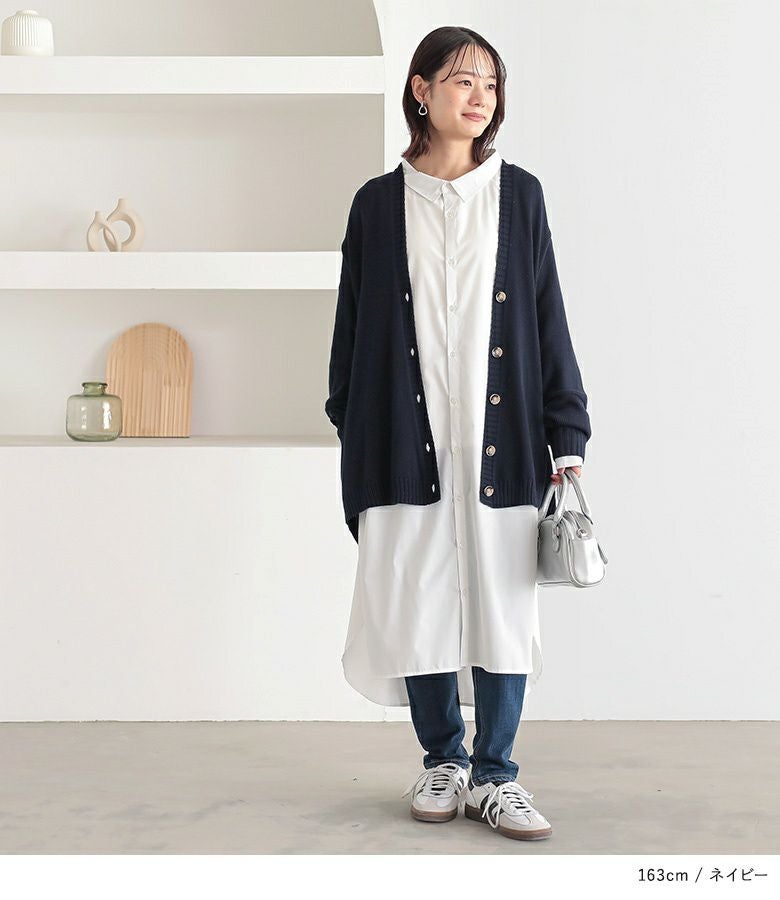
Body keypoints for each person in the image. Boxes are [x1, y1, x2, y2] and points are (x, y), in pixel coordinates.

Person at [325, 27, 591, 842]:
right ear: (421, 89)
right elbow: (351, 330)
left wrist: (566, 433)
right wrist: (354, 422)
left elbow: (546, 317)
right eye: (462, 79)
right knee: (419, 602)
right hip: (402, 444)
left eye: (490, 83)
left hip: (500, 444)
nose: (480, 97)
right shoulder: (377, 205)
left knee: (502, 609)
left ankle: (496, 774)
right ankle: (442, 758)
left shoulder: (520, 196)